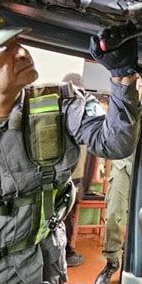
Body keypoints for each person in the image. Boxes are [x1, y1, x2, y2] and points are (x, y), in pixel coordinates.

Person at [0, 8, 141, 284]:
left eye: (18, 42)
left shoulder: (61, 102)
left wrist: (121, 75)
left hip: (44, 276)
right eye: (3, 49)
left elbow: (115, 144)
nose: (22, 52)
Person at [93, 154, 133, 284]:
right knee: (112, 216)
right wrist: (102, 161)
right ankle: (112, 262)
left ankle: (130, 262)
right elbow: (110, 133)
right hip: (121, 165)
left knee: (140, 219)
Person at [61, 73, 88, 268]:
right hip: (68, 174)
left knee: (64, 214)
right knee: (64, 215)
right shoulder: (77, 109)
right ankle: (66, 253)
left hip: (73, 174)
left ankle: (64, 251)